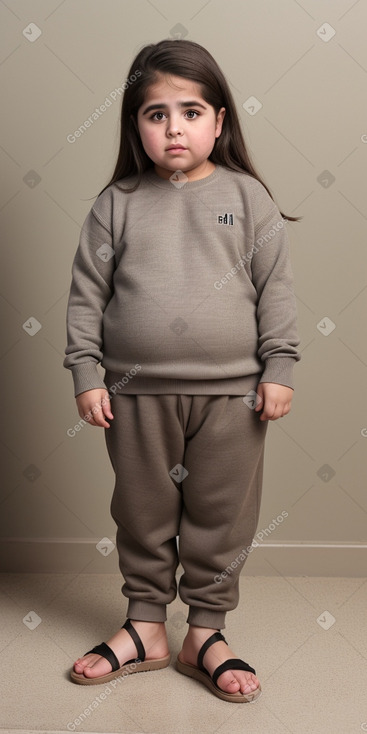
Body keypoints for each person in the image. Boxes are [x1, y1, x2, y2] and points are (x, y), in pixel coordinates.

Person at [63, 38, 301, 703]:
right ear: (134, 126)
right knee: (142, 512)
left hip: (233, 395)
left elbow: (274, 289)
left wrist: (277, 367)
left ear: (219, 121)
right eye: (155, 113)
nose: (174, 128)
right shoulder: (116, 202)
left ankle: (204, 631)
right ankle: (145, 627)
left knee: (220, 517)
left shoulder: (247, 197)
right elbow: (86, 297)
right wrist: (86, 373)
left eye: (190, 111)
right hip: (134, 395)